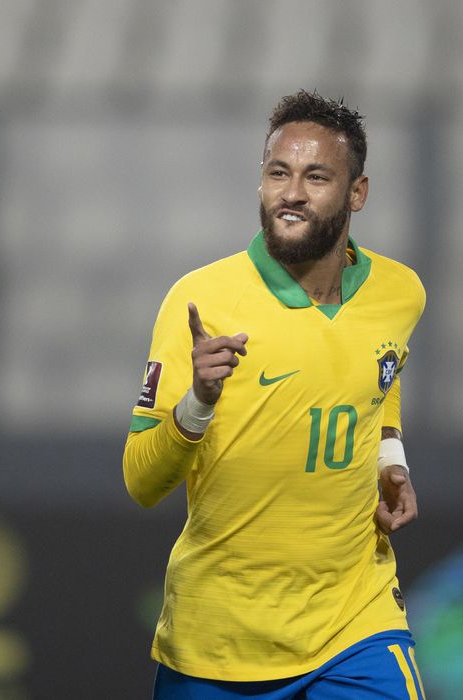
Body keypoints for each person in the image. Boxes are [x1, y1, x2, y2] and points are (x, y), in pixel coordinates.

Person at [124, 91, 427, 699]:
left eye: (316, 177)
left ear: (357, 193)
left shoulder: (400, 293)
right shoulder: (202, 300)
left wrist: (389, 459)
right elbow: (142, 482)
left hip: (356, 621)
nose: (292, 193)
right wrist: (198, 401)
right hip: (219, 642)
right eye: (278, 173)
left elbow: (382, 375)